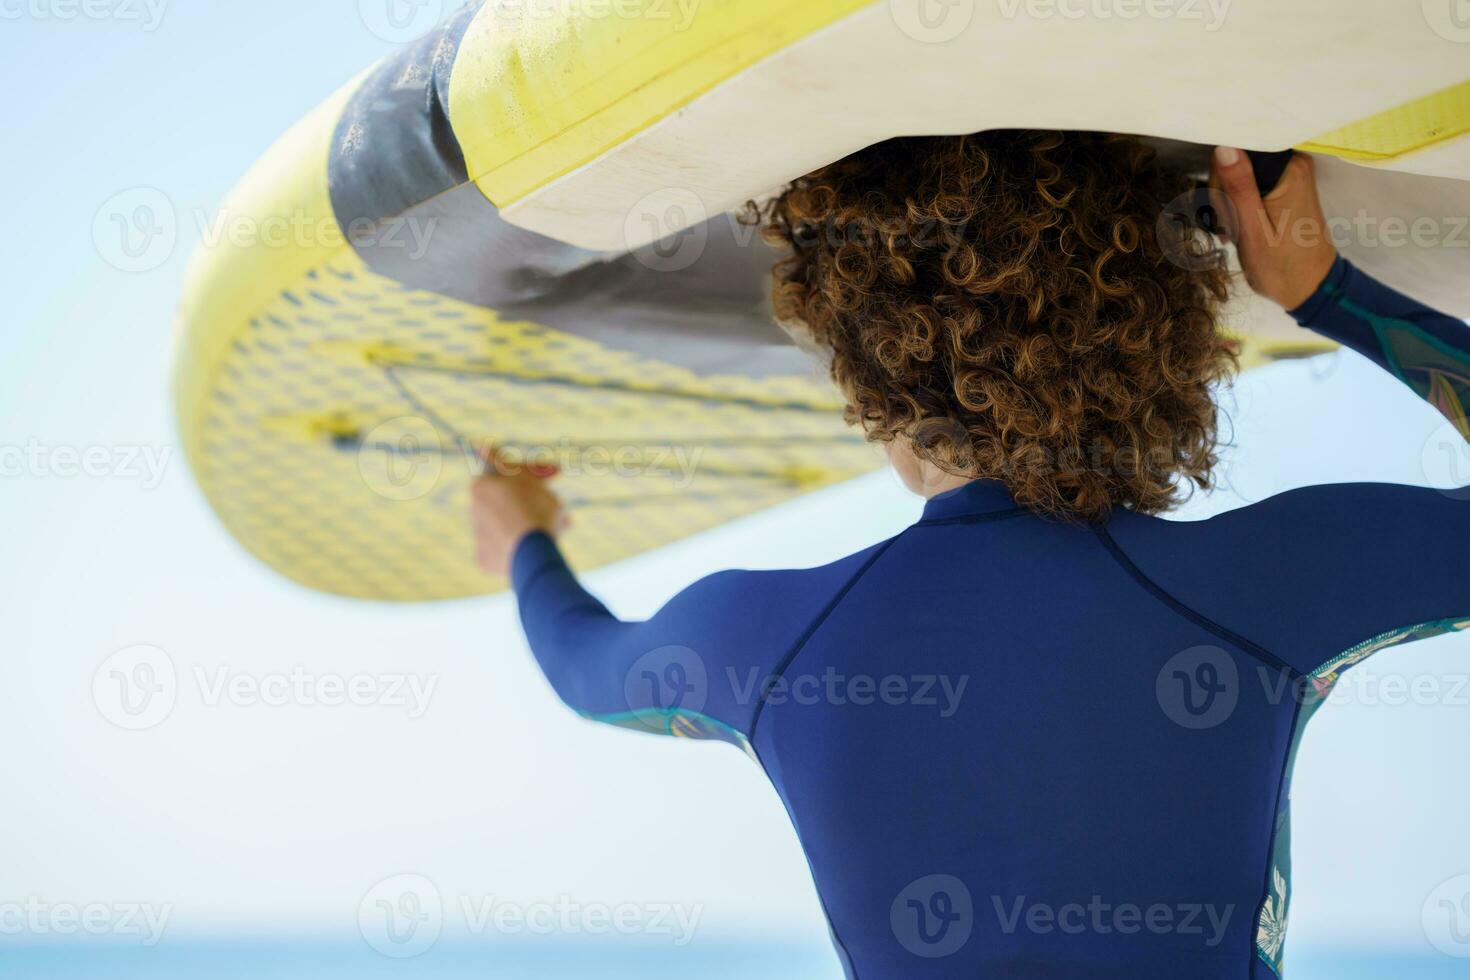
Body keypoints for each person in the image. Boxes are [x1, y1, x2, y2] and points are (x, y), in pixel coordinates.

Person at [469, 133, 1470, 979]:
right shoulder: (1261, 586)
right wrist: (1330, 292)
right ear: (1161, 348)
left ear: (871, 374)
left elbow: (580, 661)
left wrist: (524, 538)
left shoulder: (770, 642)